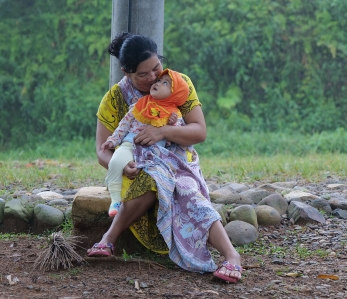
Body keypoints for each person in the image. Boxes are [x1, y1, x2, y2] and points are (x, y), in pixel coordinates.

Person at [87, 32, 243, 283]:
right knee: (151, 179)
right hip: (137, 165)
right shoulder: (115, 98)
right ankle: (108, 240)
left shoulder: (178, 84)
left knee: (189, 192)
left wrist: (162, 131)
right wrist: (121, 166)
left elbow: (199, 131)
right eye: (142, 75)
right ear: (126, 72)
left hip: (179, 160)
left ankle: (231, 256)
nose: (152, 78)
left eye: (156, 68)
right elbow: (102, 150)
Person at [101, 68, 187, 217]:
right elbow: (124, 125)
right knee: (115, 161)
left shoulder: (174, 115)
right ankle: (115, 200)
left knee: (153, 177)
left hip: (153, 154)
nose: (158, 83)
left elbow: (176, 138)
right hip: (129, 144)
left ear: (174, 94)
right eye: (159, 80)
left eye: (165, 83)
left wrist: (172, 126)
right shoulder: (139, 105)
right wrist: (113, 141)